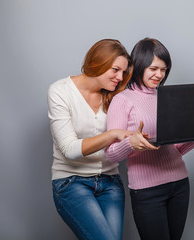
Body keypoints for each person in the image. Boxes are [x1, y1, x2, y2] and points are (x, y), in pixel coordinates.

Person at [105, 38, 194, 240]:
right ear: (139, 66)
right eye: (154, 68)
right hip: (147, 191)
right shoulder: (123, 100)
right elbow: (110, 154)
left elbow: (174, 148)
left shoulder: (166, 97)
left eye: (164, 70)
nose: (159, 75)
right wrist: (131, 142)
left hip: (180, 183)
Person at [47, 39, 133, 240]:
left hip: (111, 182)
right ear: (98, 62)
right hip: (71, 182)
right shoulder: (60, 91)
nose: (120, 78)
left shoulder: (116, 96)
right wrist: (112, 134)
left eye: (123, 72)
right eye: (115, 70)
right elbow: (69, 149)